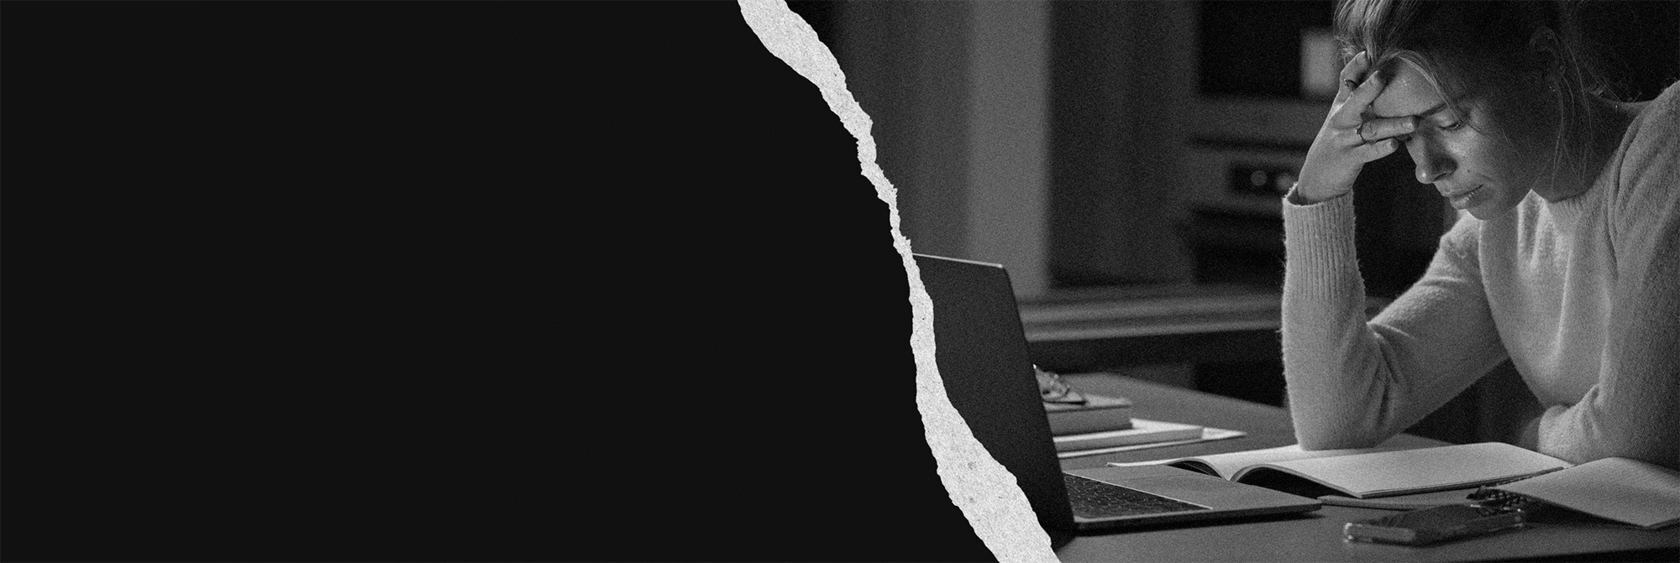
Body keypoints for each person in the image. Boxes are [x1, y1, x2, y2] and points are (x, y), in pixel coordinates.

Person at [1282, 0, 1678, 469]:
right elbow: (1338, 423)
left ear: (1545, 63)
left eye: (1450, 121)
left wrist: (1531, 435)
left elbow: (1638, 438)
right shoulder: (1497, 230)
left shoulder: (1667, 146)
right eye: (1406, 136)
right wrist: (1320, 192)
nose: (1427, 169)